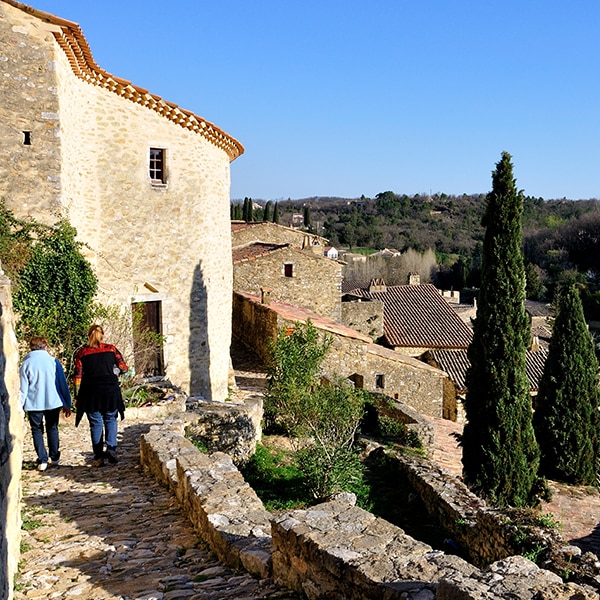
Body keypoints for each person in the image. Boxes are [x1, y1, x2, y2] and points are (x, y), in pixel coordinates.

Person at [74, 324, 128, 466]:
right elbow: (124, 367)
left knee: (96, 423)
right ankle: (111, 448)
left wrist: (77, 395)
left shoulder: (82, 353)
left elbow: (78, 377)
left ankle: (98, 456)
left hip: (90, 392)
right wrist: (115, 371)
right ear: (102, 335)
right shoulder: (111, 349)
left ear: (88, 336)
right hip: (110, 390)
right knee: (111, 419)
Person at [20, 336, 72, 471]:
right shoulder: (53, 362)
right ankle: (54, 457)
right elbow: (62, 384)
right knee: (52, 428)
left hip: (33, 403)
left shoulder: (26, 364)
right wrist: (67, 402)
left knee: (36, 430)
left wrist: (20, 406)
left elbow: (23, 388)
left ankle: (42, 459)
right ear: (45, 347)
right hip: (52, 401)